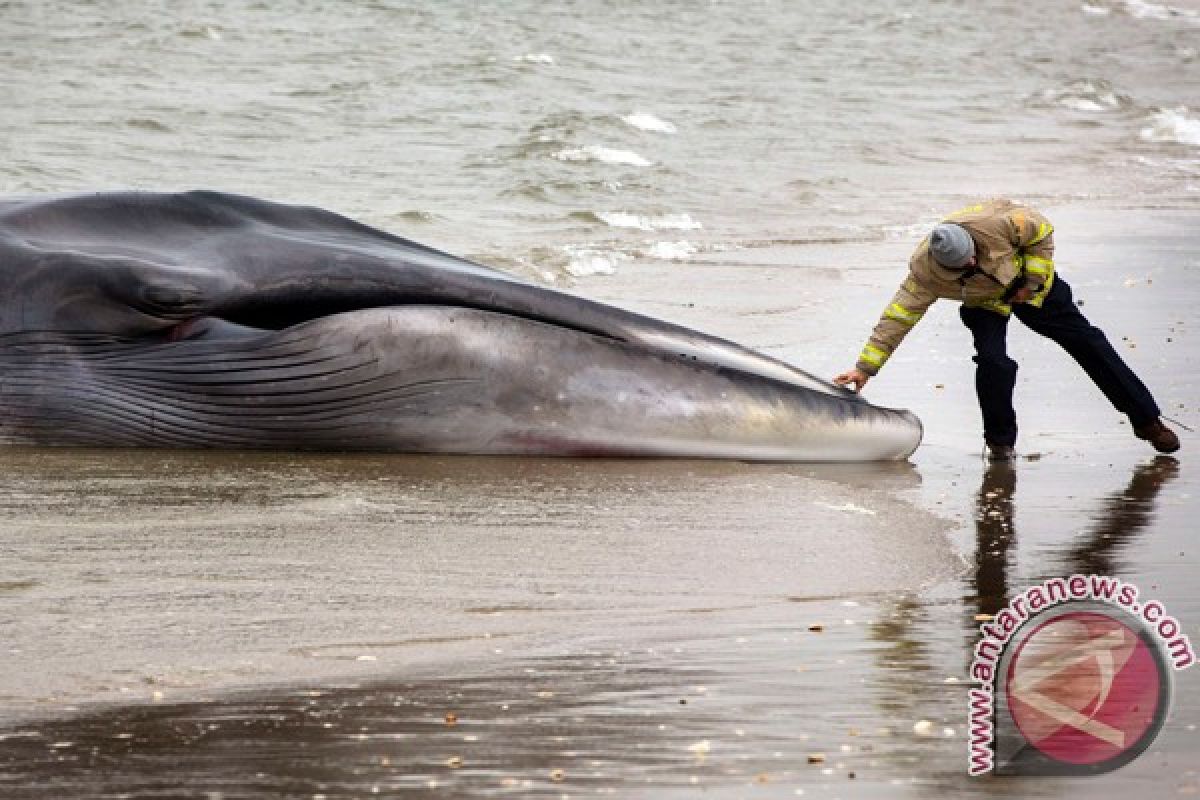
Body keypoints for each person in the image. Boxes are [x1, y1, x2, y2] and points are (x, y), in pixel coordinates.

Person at [833, 198, 1180, 460]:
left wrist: (1032, 280)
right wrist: (866, 368)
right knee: (993, 362)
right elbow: (898, 317)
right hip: (985, 304)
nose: (971, 264)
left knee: (1088, 344)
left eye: (973, 258)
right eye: (961, 267)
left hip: (1032, 289)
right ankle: (1000, 445)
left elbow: (1042, 232)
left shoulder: (999, 223)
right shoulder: (925, 274)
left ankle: (1148, 421)